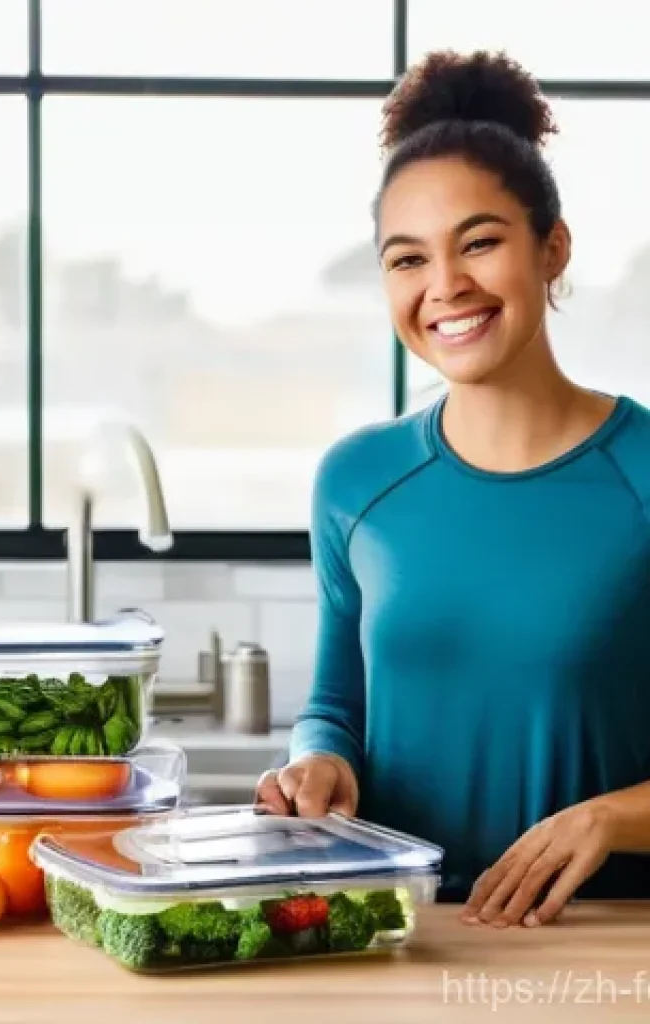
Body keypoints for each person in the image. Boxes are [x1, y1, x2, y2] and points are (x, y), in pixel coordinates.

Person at [256, 50, 650, 928]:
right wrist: (320, 763)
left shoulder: (644, 473)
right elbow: (333, 709)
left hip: (607, 942)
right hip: (399, 936)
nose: (446, 288)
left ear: (553, 246)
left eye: (479, 242)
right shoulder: (356, 482)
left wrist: (613, 817)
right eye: (407, 260)